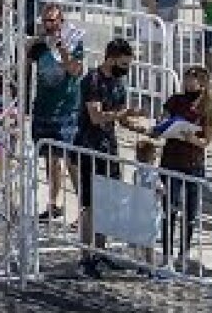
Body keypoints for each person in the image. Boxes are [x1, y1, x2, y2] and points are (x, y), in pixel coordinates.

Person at [74, 39, 143, 278]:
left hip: (108, 146)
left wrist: (142, 127)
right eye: (123, 63)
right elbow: (96, 116)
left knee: (106, 201)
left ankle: (101, 251)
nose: (126, 68)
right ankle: (85, 256)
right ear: (111, 58)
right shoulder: (92, 80)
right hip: (89, 145)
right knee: (90, 204)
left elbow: (119, 119)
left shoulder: (118, 83)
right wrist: (121, 114)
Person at [158, 65, 212, 270]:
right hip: (171, 159)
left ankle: (183, 252)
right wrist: (165, 125)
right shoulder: (176, 100)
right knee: (169, 208)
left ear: (201, 83)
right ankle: (166, 254)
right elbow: (162, 120)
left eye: (191, 80)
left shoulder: (207, 107)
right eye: (185, 79)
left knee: (190, 212)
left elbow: (206, 141)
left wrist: (191, 137)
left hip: (193, 162)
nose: (187, 83)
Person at [28, 3, 84, 222]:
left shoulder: (74, 42)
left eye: (54, 21)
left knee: (70, 161)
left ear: (62, 22)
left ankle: (84, 207)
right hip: (43, 106)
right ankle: (55, 203)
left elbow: (75, 69)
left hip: (66, 108)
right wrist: (33, 43)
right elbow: (24, 64)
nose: (50, 25)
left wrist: (62, 49)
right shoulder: (40, 45)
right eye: (46, 21)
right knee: (51, 159)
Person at [131, 139, 164, 278]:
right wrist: (162, 191)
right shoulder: (153, 174)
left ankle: (141, 264)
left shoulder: (137, 172)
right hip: (150, 211)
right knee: (150, 242)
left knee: (140, 240)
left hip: (139, 211)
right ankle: (151, 268)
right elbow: (159, 189)